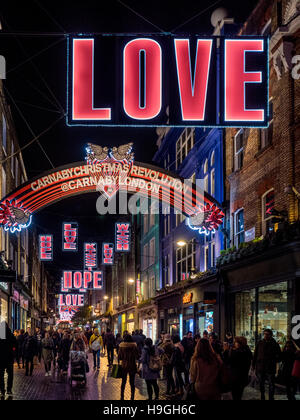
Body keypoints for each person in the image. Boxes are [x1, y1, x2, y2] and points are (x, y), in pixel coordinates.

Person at [253, 329, 282, 400]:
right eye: (265, 334)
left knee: (271, 384)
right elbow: (255, 355)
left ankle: (271, 397)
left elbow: (279, 356)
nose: (265, 335)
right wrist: (253, 365)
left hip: (270, 368)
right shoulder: (260, 343)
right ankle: (262, 396)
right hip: (261, 367)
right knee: (261, 384)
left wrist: (273, 360)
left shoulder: (275, 344)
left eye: (267, 334)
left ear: (271, 335)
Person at [223, 336, 253, 400]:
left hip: (235, 378)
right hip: (243, 377)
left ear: (239, 343)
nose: (234, 344)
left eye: (235, 342)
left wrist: (226, 351)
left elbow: (227, 362)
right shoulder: (247, 351)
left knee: (235, 395)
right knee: (239, 395)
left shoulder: (237, 353)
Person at [118, 334, 139, 401]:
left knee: (123, 382)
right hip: (132, 365)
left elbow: (119, 357)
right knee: (132, 382)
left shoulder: (121, 346)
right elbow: (137, 356)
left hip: (124, 366)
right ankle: (132, 397)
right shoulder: (134, 346)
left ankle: (122, 396)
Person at [0, 322, 17, 398]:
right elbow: (15, 345)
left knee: (1, 375)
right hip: (9, 358)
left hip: (1, 359)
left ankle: (2, 390)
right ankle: (9, 389)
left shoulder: (0, 334)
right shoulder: (11, 334)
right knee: (10, 375)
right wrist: (13, 351)